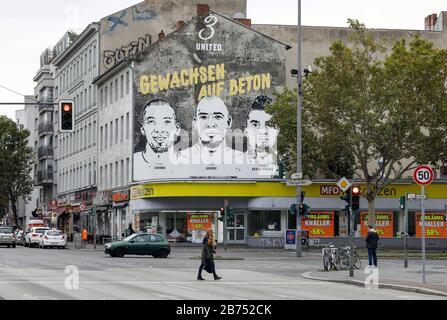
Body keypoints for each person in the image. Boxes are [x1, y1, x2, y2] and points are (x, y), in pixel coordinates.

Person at [181, 96, 243, 166]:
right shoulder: (182, 158)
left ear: (228, 123)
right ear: (195, 123)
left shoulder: (240, 159)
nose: (210, 124)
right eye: (203, 117)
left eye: (217, 117)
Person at [134, 99, 186, 180]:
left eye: (167, 121)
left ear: (177, 129)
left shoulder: (188, 164)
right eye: (151, 121)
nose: (159, 129)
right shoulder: (133, 163)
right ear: (142, 129)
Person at [243, 95, 279, 174]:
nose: (263, 131)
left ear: (277, 130)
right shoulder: (236, 164)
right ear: (246, 131)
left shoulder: (286, 164)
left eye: (269, 124)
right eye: (255, 125)